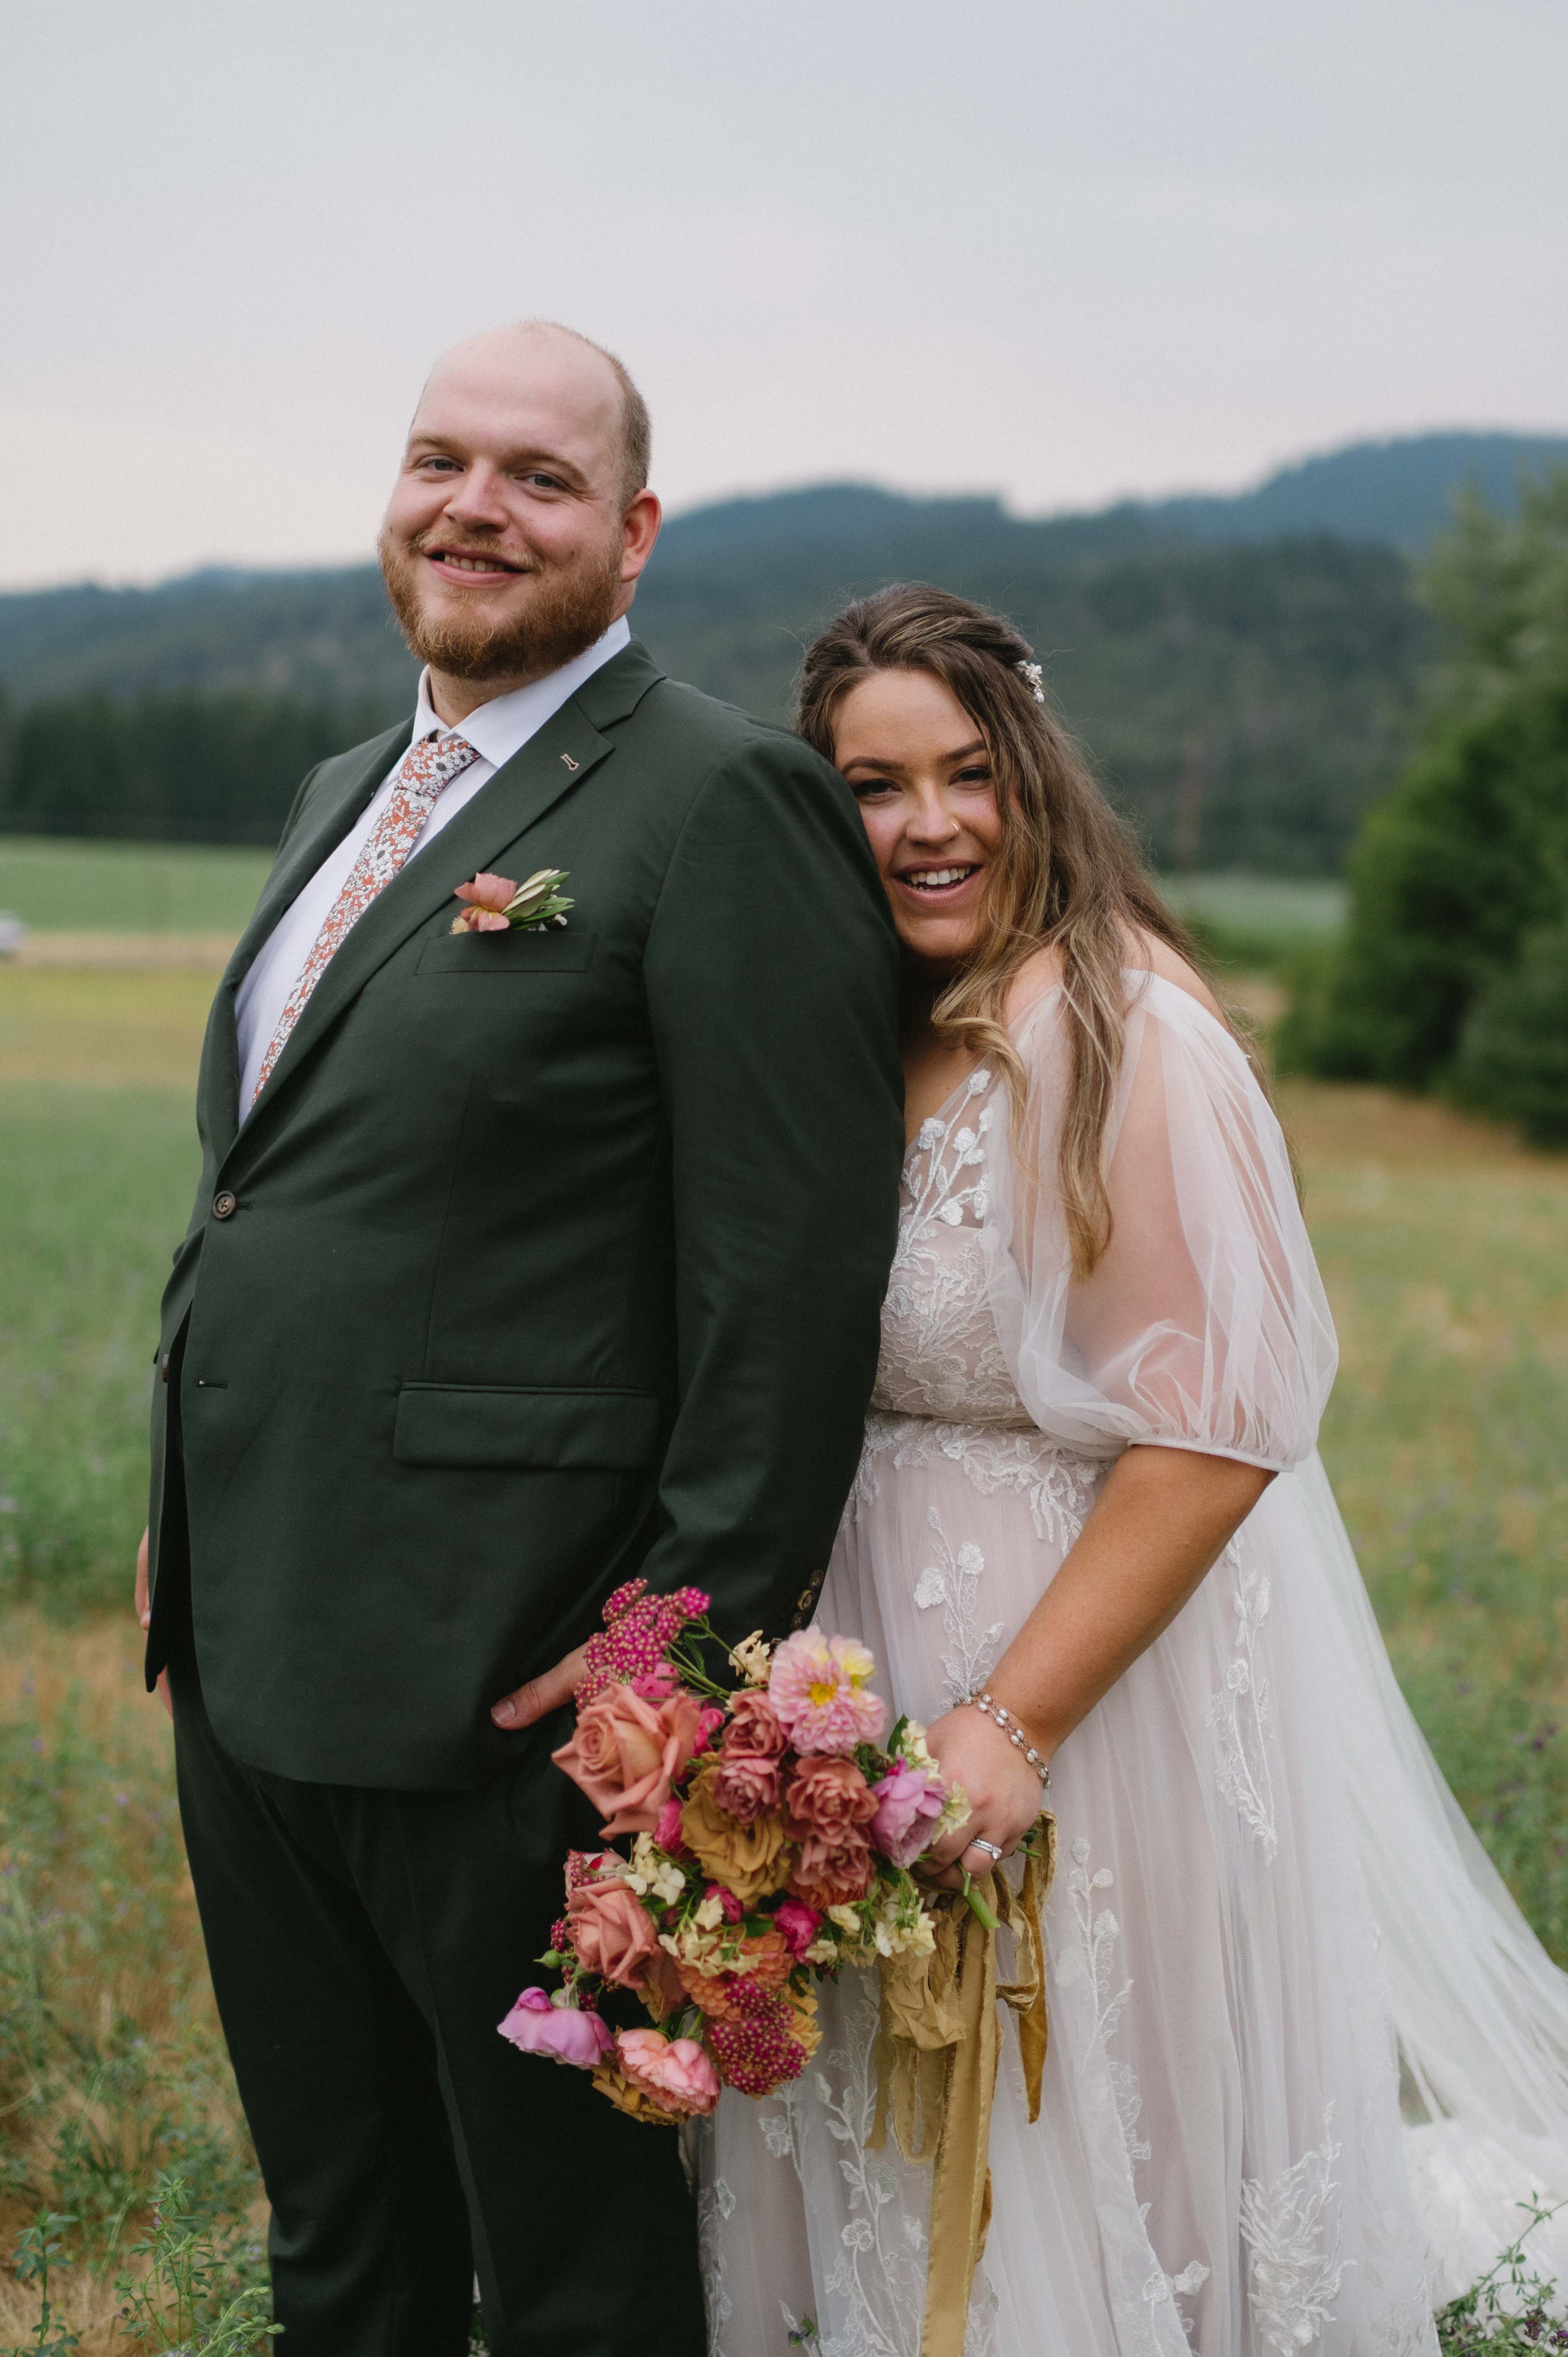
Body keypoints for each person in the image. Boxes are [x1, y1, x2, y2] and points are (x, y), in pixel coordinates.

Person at [680, 585, 1568, 2355]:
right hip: (858, 1662)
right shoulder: (862, 1032)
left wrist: (1012, 1725)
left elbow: (1217, 1425)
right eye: (869, 786)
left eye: (962, 774)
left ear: (1033, 775)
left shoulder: (1125, 1035)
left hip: (1086, 1693)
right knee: (876, 2118)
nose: (925, 824)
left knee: (1065, 2122)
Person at [132, 321, 904, 2357]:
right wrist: (182, 1502)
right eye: (439, 460)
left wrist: (662, 1658)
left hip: (513, 1680)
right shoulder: (341, 789)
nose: (474, 505)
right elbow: (261, 1181)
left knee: (566, 2269)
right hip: (250, 1638)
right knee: (342, 2238)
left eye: (539, 477)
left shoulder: (719, 800)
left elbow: (794, 1276)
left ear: (633, 533)